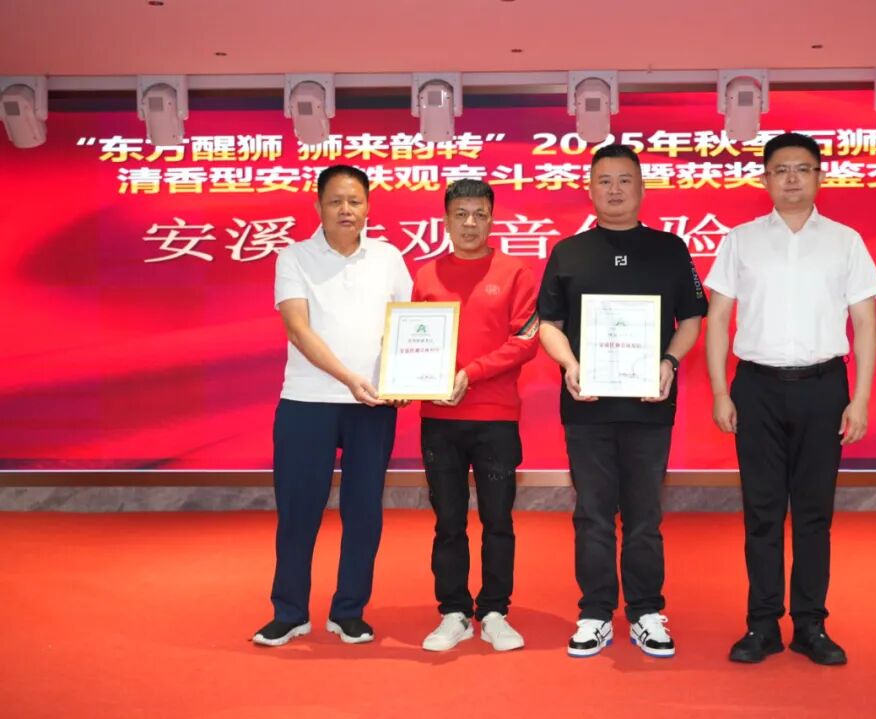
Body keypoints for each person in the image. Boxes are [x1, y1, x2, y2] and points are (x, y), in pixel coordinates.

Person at [704, 132, 876, 665]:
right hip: (756, 388)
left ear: (819, 177)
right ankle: (762, 625)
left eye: (802, 169)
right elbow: (718, 317)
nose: (791, 179)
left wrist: (860, 399)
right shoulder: (740, 240)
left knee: (813, 514)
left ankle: (810, 625)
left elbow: (865, 325)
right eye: (780, 169)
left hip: (824, 388)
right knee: (761, 513)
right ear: (764, 179)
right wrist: (720, 391)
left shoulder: (846, 241)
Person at [537, 144, 707, 658]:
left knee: (644, 514)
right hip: (586, 405)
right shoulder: (569, 252)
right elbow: (548, 324)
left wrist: (669, 361)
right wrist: (570, 364)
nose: (614, 189)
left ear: (642, 188)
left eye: (625, 180)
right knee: (591, 512)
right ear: (589, 188)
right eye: (604, 180)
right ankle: (594, 613)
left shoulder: (670, 249)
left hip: (649, 405)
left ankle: (646, 611)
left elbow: (691, 319)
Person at [252, 165, 412, 647]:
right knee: (298, 511)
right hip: (307, 403)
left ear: (368, 207)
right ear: (318, 206)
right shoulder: (294, 256)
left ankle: (349, 611)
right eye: (336, 201)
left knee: (364, 512)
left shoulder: (388, 258)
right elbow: (298, 330)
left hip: (374, 406)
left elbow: (409, 324)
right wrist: (349, 378)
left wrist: (406, 378)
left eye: (355, 201)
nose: (346, 210)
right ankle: (290, 612)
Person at [411, 179, 539, 652]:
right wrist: (409, 379)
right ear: (445, 220)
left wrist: (470, 373)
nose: (470, 223)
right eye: (461, 214)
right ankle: (454, 612)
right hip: (439, 419)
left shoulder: (516, 272)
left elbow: (525, 340)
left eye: (480, 214)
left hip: (496, 418)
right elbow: (413, 341)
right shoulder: (426, 275)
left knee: (497, 519)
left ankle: (495, 610)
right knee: (448, 520)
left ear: (492, 218)